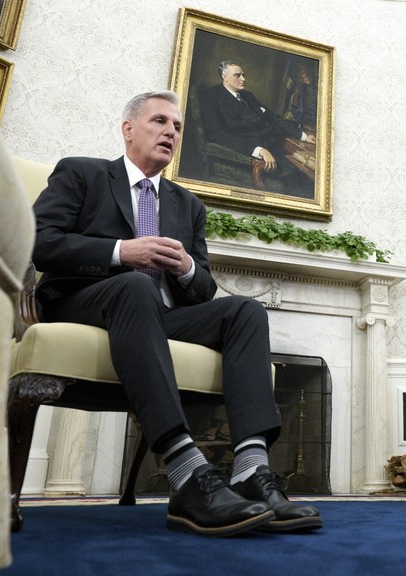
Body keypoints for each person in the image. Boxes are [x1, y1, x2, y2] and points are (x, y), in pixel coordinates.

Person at [31, 90, 322, 537]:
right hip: (84, 305)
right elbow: (37, 241)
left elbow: (204, 290)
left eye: (178, 126)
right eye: (159, 121)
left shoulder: (188, 205)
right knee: (132, 284)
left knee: (244, 311)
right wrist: (119, 251)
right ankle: (186, 472)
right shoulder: (83, 173)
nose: (171, 131)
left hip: (156, 314)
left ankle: (250, 471)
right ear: (128, 129)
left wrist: (187, 267)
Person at [204, 60, 315, 197]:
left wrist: (302, 136)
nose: (243, 79)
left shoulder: (247, 96)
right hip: (252, 151)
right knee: (302, 176)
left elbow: (272, 118)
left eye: (243, 75)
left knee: (309, 168)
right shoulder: (212, 97)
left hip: (275, 144)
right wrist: (258, 150)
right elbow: (217, 135)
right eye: (237, 75)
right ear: (224, 77)